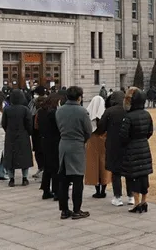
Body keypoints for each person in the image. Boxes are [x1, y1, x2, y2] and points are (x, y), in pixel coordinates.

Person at [56, 86, 92, 220]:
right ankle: (77, 210)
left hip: (63, 144)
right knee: (77, 179)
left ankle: (64, 209)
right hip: (76, 145)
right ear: (79, 97)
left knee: (63, 180)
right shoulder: (82, 111)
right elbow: (88, 131)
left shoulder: (59, 110)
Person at [119, 89, 154, 213]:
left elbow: (123, 135)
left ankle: (137, 202)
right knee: (144, 175)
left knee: (133, 176)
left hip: (132, 148)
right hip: (144, 145)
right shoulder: (147, 114)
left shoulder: (128, 117)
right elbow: (150, 131)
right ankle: (144, 201)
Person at [97, 90, 134, 207]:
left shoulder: (109, 111)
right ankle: (131, 196)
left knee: (116, 172)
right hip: (128, 144)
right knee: (129, 171)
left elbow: (101, 128)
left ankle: (117, 197)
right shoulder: (130, 109)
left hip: (113, 144)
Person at [2, 89, 34, 187]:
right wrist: (29, 132)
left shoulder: (7, 109)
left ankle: (11, 179)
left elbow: (4, 123)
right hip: (23, 135)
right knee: (24, 157)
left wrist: (8, 130)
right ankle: (24, 178)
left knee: (10, 157)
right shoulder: (25, 109)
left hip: (10, 135)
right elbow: (29, 123)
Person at [37, 92, 65, 201]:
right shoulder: (54, 113)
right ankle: (56, 191)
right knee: (56, 167)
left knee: (48, 167)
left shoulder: (41, 111)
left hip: (44, 141)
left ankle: (45, 190)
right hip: (55, 141)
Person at [85, 95, 112, 198]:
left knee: (93, 165)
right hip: (104, 140)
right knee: (103, 164)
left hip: (92, 140)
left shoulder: (88, 114)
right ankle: (103, 189)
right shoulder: (105, 114)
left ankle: (97, 190)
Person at [28, 86, 47, 179]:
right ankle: (41, 168)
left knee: (41, 152)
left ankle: (43, 169)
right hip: (37, 133)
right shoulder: (32, 103)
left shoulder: (46, 107)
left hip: (41, 133)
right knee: (39, 151)